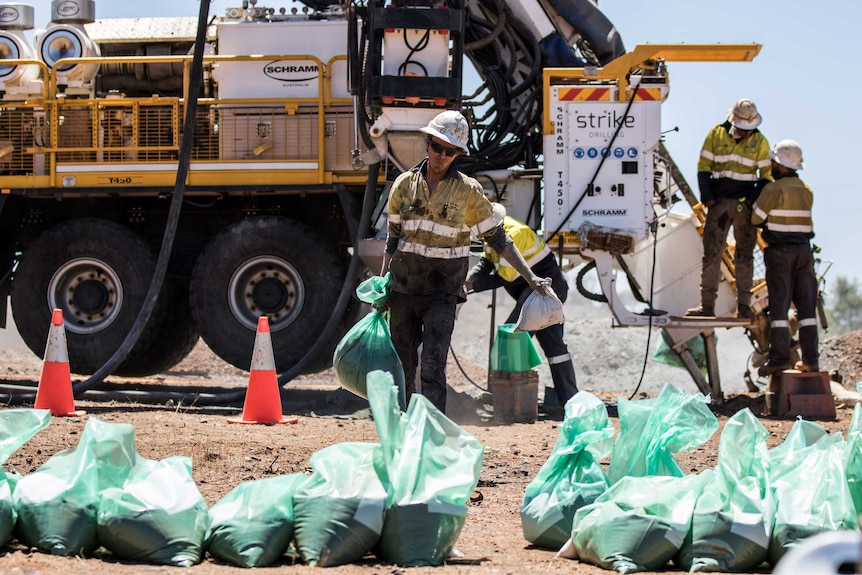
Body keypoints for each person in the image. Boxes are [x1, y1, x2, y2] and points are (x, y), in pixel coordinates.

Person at [380, 110, 547, 414]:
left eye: (450, 151)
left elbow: (498, 239)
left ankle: (430, 433)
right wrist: (382, 287)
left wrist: (530, 277)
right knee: (403, 367)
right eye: (437, 147)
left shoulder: (469, 192)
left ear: (458, 154)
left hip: (442, 294)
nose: (442, 156)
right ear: (427, 144)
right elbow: (393, 239)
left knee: (432, 366)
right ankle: (404, 430)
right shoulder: (403, 185)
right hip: (404, 291)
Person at [465, 203, 578, 408]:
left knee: (511, 337)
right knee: (554, 346)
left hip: (544, 290)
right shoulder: (493, 233)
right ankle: (568, 399)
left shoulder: (513, 235)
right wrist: (469, 281)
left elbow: (505, 278)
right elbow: (487, 262)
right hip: (540, 292)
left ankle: (505, 398)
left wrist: (472, 286)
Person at [686, 98, 772, 319]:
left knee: (744, 255)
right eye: (743, 129)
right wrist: (709, 199)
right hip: (719, 203)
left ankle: (744, 306)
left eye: (749, 129)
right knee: (712, 255)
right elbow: (703, 168)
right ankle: (707, 307)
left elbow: (765, 177)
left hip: (745, 204)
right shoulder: (716, 135)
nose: (746, 133)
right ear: (734, 122)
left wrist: (751, 201)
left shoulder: (760, 141)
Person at [750, 139, 819, 376]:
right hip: (804, 253)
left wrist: (759, 191)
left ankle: (779, 358)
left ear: (780, 164)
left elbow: (756, 219)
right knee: (807, 310)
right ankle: (811, 360)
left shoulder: (772, 189)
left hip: (780, 253)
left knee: (779, 309)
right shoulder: (806, 190)